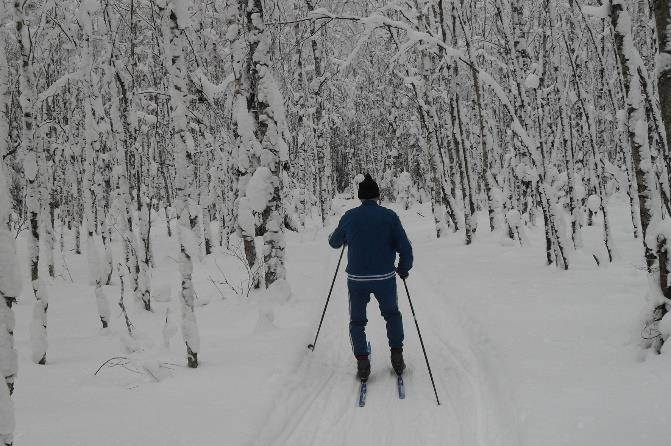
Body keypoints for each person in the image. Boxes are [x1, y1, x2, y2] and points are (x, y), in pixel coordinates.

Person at [328, 174, 413, 381]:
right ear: (377, 196)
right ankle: (397, 356)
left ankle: (363, 362)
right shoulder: (389, 216)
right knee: (392, 314)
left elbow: (334, 242)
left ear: (360, 197)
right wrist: (403, 268)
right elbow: (405, 247)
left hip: (357, 279)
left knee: (357, 321)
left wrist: (345, 236)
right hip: (385, 277)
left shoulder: (349, 216)